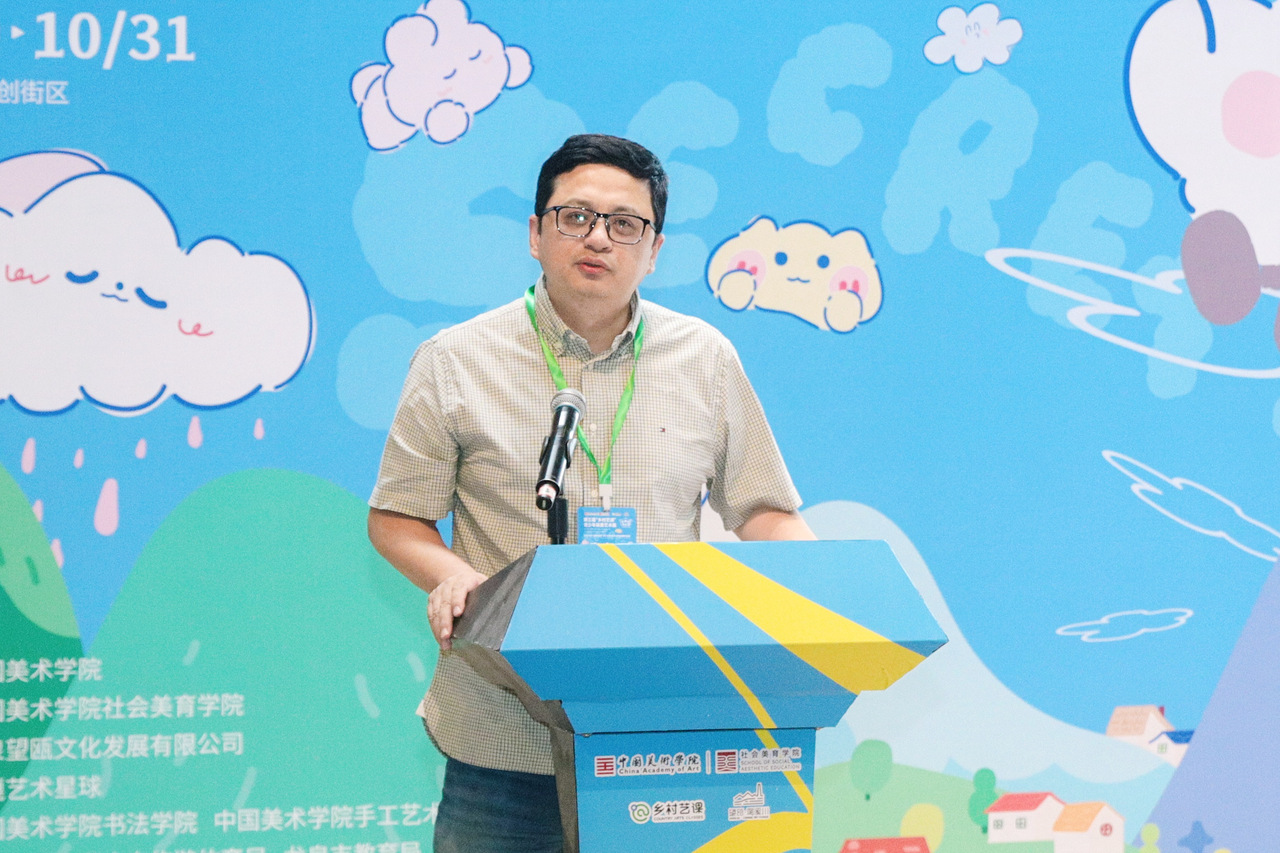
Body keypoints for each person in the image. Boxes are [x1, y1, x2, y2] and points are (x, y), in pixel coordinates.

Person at [367, 133, 814, 853]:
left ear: (654, 249)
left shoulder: (705, 358)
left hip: (659, 733)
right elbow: (397, 518)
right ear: (536, 234)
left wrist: (823, 592)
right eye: (575, 216)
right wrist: (461, 582)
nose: (598, 237)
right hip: (503, 733)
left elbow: (762, 508)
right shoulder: (456, 360)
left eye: (625, 223)